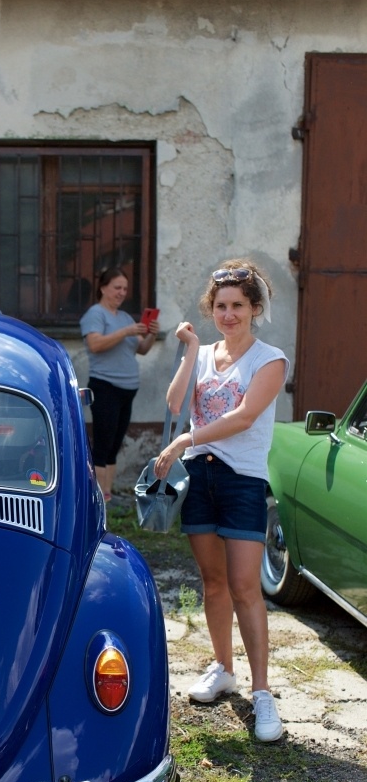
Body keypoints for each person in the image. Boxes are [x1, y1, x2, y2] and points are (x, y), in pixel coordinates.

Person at [153, 260, 288, 743]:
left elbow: (245, 417)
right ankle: (223, 668)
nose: (228, 314)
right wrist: (190, 350)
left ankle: (264, 692)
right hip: (201, 481)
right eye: (220, 306)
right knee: (213, 583)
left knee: (245, 586)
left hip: (242, 481)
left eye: (237, 306)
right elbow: (174, 403)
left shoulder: (269, 359)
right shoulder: (206, 352)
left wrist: (185, 441)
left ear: (254, 308)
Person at [80, 267, 159, 500]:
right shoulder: (96, 314)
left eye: (125, 288)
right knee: (103, 443)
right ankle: (97, 497)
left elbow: (142, 349)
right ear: (103, 288)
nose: (121, 292)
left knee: (115, 444)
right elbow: (95, 345)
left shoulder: (124, 317)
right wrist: (126, 331)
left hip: (127, 390)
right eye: (117, 287)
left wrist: (152, 334)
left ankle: (107, 494)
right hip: (105, 386)